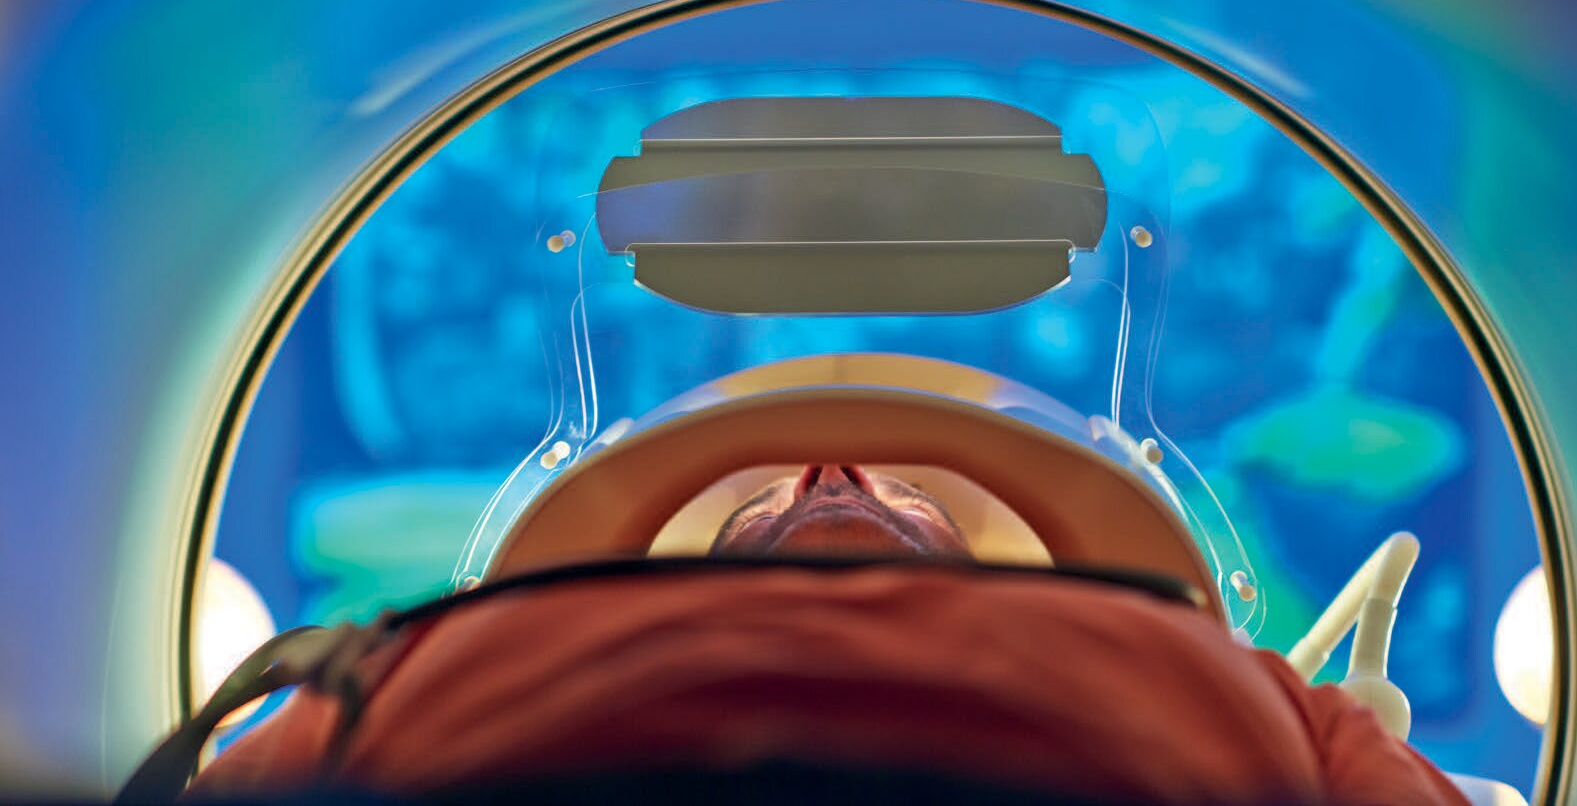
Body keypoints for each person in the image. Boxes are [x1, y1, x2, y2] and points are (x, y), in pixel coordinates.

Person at [185, 460, 1469, 805]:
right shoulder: (1225, 679)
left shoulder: (434, 657)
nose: (828, 466)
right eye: (768, 489)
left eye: (897, 483)